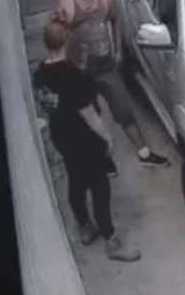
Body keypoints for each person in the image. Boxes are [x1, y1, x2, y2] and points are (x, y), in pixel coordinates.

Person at [33, 13, 141, 262]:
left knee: (76, 180)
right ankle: (111, 239)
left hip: (60, 136)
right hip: (83, 139)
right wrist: (107, 138)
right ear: (66, 42)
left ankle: (85, 225)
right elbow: (89, 115)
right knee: (100, 188)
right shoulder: (72, 76)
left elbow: (48, 105)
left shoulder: (40, 73)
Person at [55, 0, 169, 169]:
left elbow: (116, 21)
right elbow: (57, 35)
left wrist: (117, 52)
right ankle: (102, 160)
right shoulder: (66, 3)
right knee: (90, 117)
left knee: (124, 109)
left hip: (106, 65)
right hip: (80, 70)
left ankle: (144, 154)